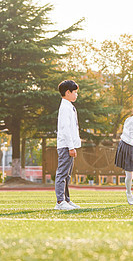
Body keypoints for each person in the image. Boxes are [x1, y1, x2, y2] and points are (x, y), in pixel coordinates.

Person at [54, 80, 81, 211]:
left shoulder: (69, 106)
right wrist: (70, 147)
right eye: (75, 92)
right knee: (62, 174)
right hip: (65, 145)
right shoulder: (65, 107)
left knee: (67, 175)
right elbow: (65, 129)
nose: (76, 95)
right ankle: (60, 201)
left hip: (69, 145)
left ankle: (66, 200)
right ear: (67, 92)